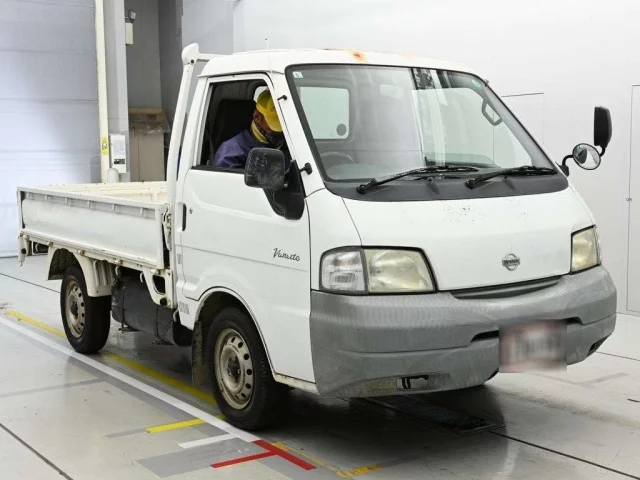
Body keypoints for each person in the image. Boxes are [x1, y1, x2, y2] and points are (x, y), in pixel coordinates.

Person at [210, 90, 290, 169]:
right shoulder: (231, 154)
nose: (281, 132)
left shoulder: (286, 143)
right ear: (257, 117)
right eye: (274, 125)